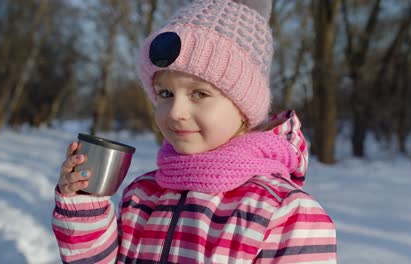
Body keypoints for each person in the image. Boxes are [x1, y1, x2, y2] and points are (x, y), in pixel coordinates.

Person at [52, 0, 337, 263]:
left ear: (243, 108)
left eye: (199, 94)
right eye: (165, 93)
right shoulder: (142, 194)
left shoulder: (287, 213)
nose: (176, 112)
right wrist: (84, 204)